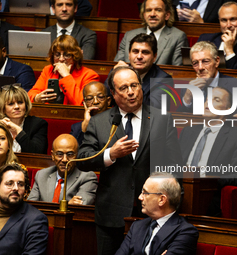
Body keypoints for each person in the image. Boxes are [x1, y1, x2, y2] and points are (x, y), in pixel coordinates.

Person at [77, 66, 182, 255]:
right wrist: (111, 154)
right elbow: (83, 160)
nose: (131, 92)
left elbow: (174, 164)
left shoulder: (162, 118)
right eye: (124, 88)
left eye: (134, 85)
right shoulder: (99, 122)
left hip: (152, 213)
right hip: (111, 214)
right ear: (113, 93)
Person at [179, 87, 237, 216]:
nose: (207, 103)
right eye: (206, 99)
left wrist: (206, 179)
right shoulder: (188, 132)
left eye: (215, 100)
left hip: (210, 195)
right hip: (178, 190)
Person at [115, 172, 198, 255]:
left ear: (162, 200)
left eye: (145, 193)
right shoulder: (137, 226)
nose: (140, 197)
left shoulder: (185, 232)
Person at [0, 84, 48, 154]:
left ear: (26, 105)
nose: (16, 107)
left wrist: (18, 131)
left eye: (20, 102)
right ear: (3, 108)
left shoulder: (38, 124)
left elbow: (37, 152)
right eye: (11, 104)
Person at [106, 33, 173, 109]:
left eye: (145, 52)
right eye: (135, 51)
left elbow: (154, 109)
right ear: (129, 54)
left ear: (154, 56)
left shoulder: (164, 80)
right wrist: (116, 74)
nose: (139, 56)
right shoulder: (118, 73)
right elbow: (104, 98)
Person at [28, 35, 99, 106]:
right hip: (47, 114)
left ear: (75, 56)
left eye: (67, 55)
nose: (61, 59)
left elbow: (82, 104)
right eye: (57, 54)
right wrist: (36, 98)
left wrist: (66, 76)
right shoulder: (48, 70)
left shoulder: (89, 75)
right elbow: (31, 94)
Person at [177, 41, 237, 113]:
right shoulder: (187, 89)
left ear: (217, 61)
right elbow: (178, 120)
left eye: (205, 61)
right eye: (195, 63)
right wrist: (187, 98)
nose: (200, 67)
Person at [28, 134, 98, 205]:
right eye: (59, 154)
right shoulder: (42, 175)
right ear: (53, 156)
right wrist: (67, 205)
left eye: (70, 154)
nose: (64, 160)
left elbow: (80, 207)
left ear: (77, 155)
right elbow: (30, 207)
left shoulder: (87, 177)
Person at [114, 0, 188, 66]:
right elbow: (117, 65)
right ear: (144, 15)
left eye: (158, 10)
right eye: (149, 10)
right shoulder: (129, 35)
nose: (152, 14)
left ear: (167, 15)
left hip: (160, 81)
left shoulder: (178, 37)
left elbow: (178, 72)